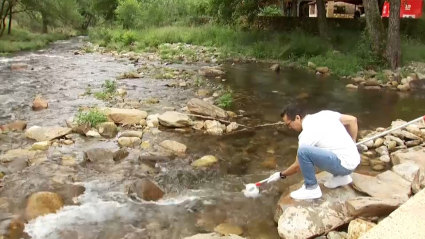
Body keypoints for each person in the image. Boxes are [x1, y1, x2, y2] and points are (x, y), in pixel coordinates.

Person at [266, 104, 360, 200]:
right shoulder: (325, 114)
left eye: (289, 124)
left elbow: (297, 166)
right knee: (323, 147)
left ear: (297, 117)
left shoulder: (306, 134)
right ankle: (341, 178)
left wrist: (281, 175)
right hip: (354, 159)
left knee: (303, 152)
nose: (289, 128)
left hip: (344, 165)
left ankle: (311, 188)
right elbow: (352, 120)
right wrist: (353, 144)